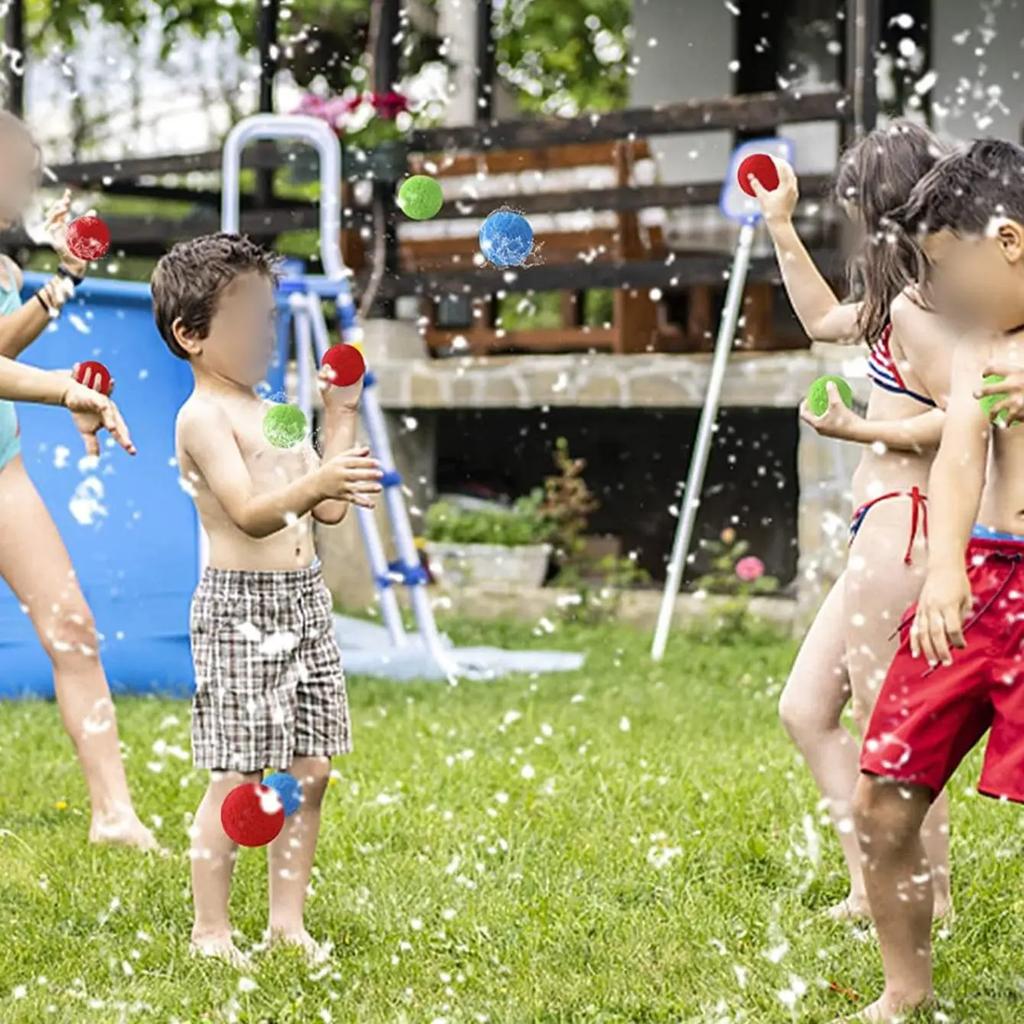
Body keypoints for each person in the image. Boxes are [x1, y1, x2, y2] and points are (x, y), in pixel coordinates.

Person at [152, 233, 382, 964]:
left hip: (304, 603)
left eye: (268, 319)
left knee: (310, 771)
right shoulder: (203, 418)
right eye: (247, 320)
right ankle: (210, 931)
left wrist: (339, 414)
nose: (265, 334)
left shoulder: (277, 412)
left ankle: (287, 925)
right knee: (243, 774)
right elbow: (253, 511)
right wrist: (317, 483)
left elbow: (330, 510)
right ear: (191, 336)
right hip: (240, 610)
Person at [747, 122, 957, 920]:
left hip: (907, 526)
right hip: (882, 526)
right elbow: (821, 322)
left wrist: (860, 430)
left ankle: (924, 897)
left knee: (894, 735)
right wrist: (779, 224)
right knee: (805, 709)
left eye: (857, 205)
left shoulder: (926, 309)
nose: (853, 222)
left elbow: (965, 417)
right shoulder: (899, 299)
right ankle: (876, 884)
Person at [850, 139, 1024, 1022]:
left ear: (1011, 241)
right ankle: (904, 990)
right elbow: (960, 456)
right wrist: (948, 571)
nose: (941, 294)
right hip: (986, 580)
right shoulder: (981, 348)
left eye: (949, 269)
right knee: (882, 797)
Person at [0, 109, 156, 850]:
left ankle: (114, 818)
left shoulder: (4, 267)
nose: (27, 178)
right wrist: (65, 388)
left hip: (3, 472)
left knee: (72, 629)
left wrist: (67, 273)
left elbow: (4, 347)